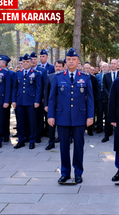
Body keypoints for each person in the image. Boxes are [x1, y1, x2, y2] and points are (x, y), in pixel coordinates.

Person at [48, 48, 94, 184]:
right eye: (69, 59)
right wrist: (51, 115)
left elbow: (90, 99)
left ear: (78, 61)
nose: (71, 61)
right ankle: (65, 173)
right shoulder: (58, 76)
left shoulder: (85, 77)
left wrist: (90, 116)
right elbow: (52, 99)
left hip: (80, 117)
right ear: (65, 62)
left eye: (74, 59)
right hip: (62, 117)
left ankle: (78, 172)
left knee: (79, 146)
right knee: (63, 147)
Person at [12, 53, 42, 149]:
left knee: (32, 122)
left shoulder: (36, 73)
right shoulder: (18, 73)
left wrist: (37, 101)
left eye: (27, 61)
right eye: (24, 62)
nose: (25, 63)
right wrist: (14, 100)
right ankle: (21, 140)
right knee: (20, 122)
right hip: (20, 101)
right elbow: (14, 88)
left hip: (31, 101)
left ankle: (32, 140)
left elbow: (38, 88)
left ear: (31, 62)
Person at [44, 60, 65, 150]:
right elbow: (46, 92)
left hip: (63, 106)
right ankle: (51, 142)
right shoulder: (49, 77)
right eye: (56, 66)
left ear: (63, 67)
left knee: (63, 124)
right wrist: (46, 105)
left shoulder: (66, 77)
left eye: (60, 66)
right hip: (52, 105)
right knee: (51, 125)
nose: (58, 68)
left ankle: (63, 140)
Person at [101, 59, 119, 142]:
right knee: (107, 117)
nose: (113, 65)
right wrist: (110, 95)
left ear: (117, 65)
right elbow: (104, 87)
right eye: (112, 63)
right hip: (108, 100)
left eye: (115, 63)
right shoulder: (106, 76)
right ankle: (107, 135)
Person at [30, 52, 47, 143]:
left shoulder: (42, 70)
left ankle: (39, 134)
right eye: (31, 59)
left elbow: (44, 85)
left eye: (34, 59)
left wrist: (43, 97)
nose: (33, 61)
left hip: (39, 98)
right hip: (29, 99)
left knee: (39, 117)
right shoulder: (27, 70)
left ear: (37, 60)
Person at [0, 55, 15, 142]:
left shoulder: (11, 73)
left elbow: (11, 87)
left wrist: (10, 99)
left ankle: (6, 134)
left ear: (4, 63)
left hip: (6, 99)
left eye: (0, 61)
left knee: (5, 117)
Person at [83, 63, 98, 136]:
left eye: (89, 68)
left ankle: (90, 130)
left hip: (90, 100)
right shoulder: (80, 77)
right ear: (83, 69)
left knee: (90, 114)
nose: (87, 70)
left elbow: (95, 89)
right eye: (86, 68)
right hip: (81, 100)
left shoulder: (93, 78)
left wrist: (90, 97)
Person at [95, 63, 108, 133]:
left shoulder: (109, 75)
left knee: (107, 113)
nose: (105, 68)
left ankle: (107, 127)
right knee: (99, 112)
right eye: (103, 67)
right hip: (99, 96)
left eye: (106, 67)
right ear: (101, 68)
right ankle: (100, 127)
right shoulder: (97, 76)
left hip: (107, 97)